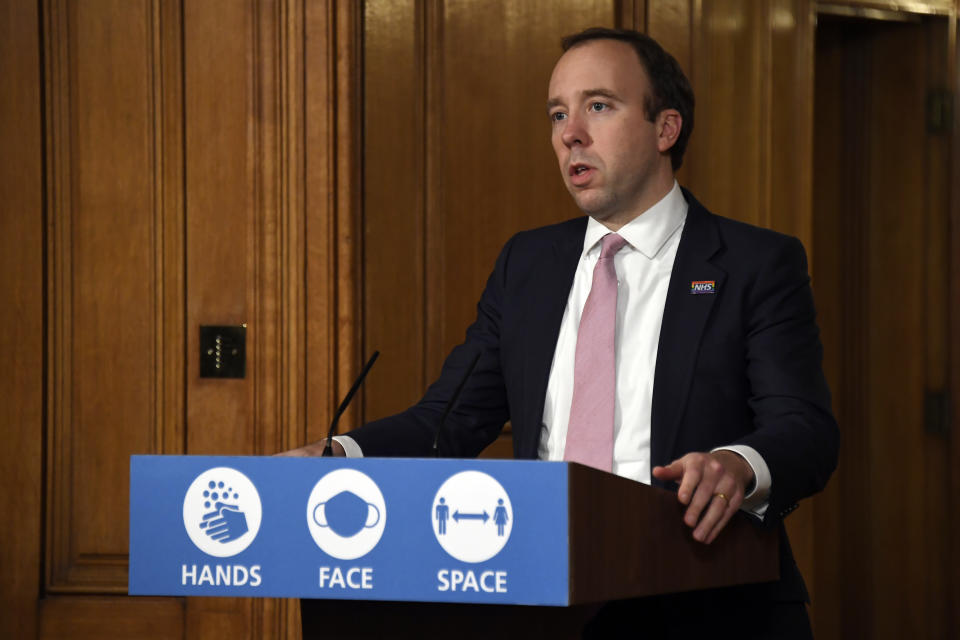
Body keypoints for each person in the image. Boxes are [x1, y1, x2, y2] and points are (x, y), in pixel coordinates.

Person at [284, 26, 838, 637]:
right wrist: (342, 455)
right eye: (556, 114)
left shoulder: (754, 264)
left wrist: (737, 463)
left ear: (665, 129)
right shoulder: (528, 264)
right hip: (542, 594)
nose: (569, 133)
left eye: (598, 106)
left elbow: (804, 429)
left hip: (702, 598)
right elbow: (448, 421)